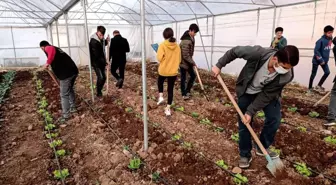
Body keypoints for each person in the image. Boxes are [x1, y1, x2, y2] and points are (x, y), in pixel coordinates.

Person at [212, 45, 299, 169]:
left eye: (289, 68)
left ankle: (262, 146)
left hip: (266, 94)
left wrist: (251, 111)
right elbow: (234, 51)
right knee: (244, 123)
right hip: (247, 90)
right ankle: (245, 154)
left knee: (274, 118)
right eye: (284, 67)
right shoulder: (257, 53)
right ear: (275, 59)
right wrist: (219, 65)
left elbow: (267, 95)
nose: (286, 70)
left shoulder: (287, 75)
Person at [40, 41, 79, 123]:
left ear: (43, 47)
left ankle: (66, 115)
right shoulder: (57, 49)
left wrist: (47, 63)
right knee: (70, 88)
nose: (43, 50)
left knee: (64, 94)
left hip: (66, 74)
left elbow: (50, 52)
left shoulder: (49, 47)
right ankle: (73, 107)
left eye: (42, 49)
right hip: (73, 71)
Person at [156, 28, 181, 116]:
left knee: (160, 82)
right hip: (173, 71)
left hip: (163, 70)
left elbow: (159, 58)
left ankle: (161, 97)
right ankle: (168, 109)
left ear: (164, 36)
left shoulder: (162, 45)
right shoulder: (177, 46)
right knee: (170, 90)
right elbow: (179, 59)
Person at [308, 25, 334, 93]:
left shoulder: (330, 39)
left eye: (331, 32)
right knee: (313, 74)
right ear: (325, 33)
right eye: (329, 32)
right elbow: (316, 51)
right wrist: (321, 60)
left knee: (327, 72)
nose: (330, 34)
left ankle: (319, 85)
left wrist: (324, 60)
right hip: (317, 60)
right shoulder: (320, 41)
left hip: (325, 61)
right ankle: (310, 88)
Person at [180, 23, 199, 100]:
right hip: (183, 62)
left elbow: (189, 54)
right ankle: (183, 94)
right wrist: (193, 62)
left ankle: (187, 91)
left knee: (193, 75)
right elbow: (185, 55)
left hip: (188, 62)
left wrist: (191, 61)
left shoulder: (191, 38)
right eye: (195, 32)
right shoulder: (185, 41)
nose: (195, 34)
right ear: (191, 30)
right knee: (183, 78)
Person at [89, 26, 110, 97]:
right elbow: (97, 54)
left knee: (104, 78)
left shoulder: (100, 38)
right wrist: (106, 63)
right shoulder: (93, 42)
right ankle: (98, 92)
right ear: (97, 32)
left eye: (103, 35)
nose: (102, 36)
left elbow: (103, 45)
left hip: (101, 61)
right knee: (100, 77)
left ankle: (99, 90)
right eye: (100, 35)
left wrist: (106, 41)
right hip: (96, 62)